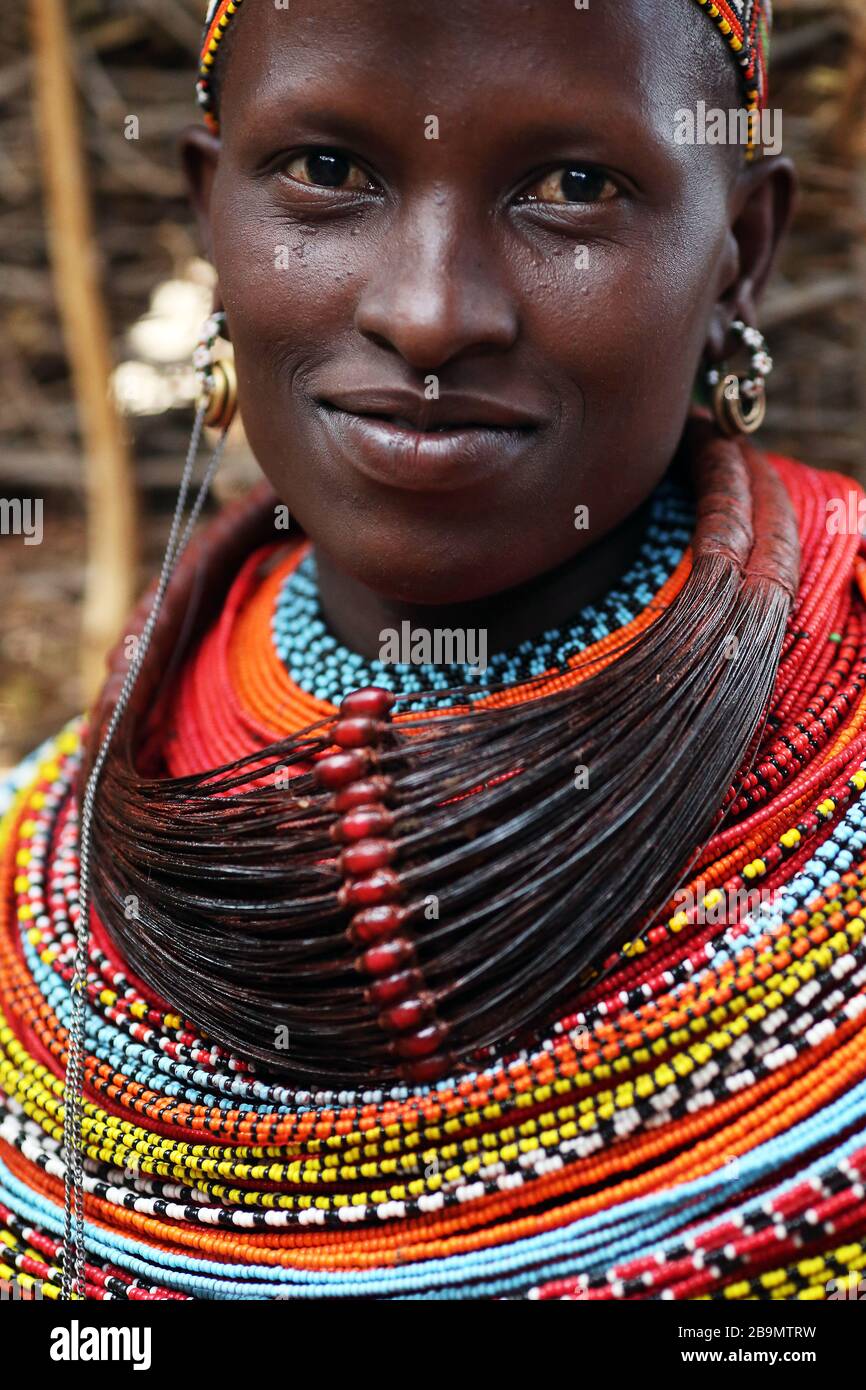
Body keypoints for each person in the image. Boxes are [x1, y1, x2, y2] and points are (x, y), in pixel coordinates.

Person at [1, 0, 865, 1302]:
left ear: (736, 251)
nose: (426, 313)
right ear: (209, 208)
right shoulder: (39, 863)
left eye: (573, 186)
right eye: (327, 172)